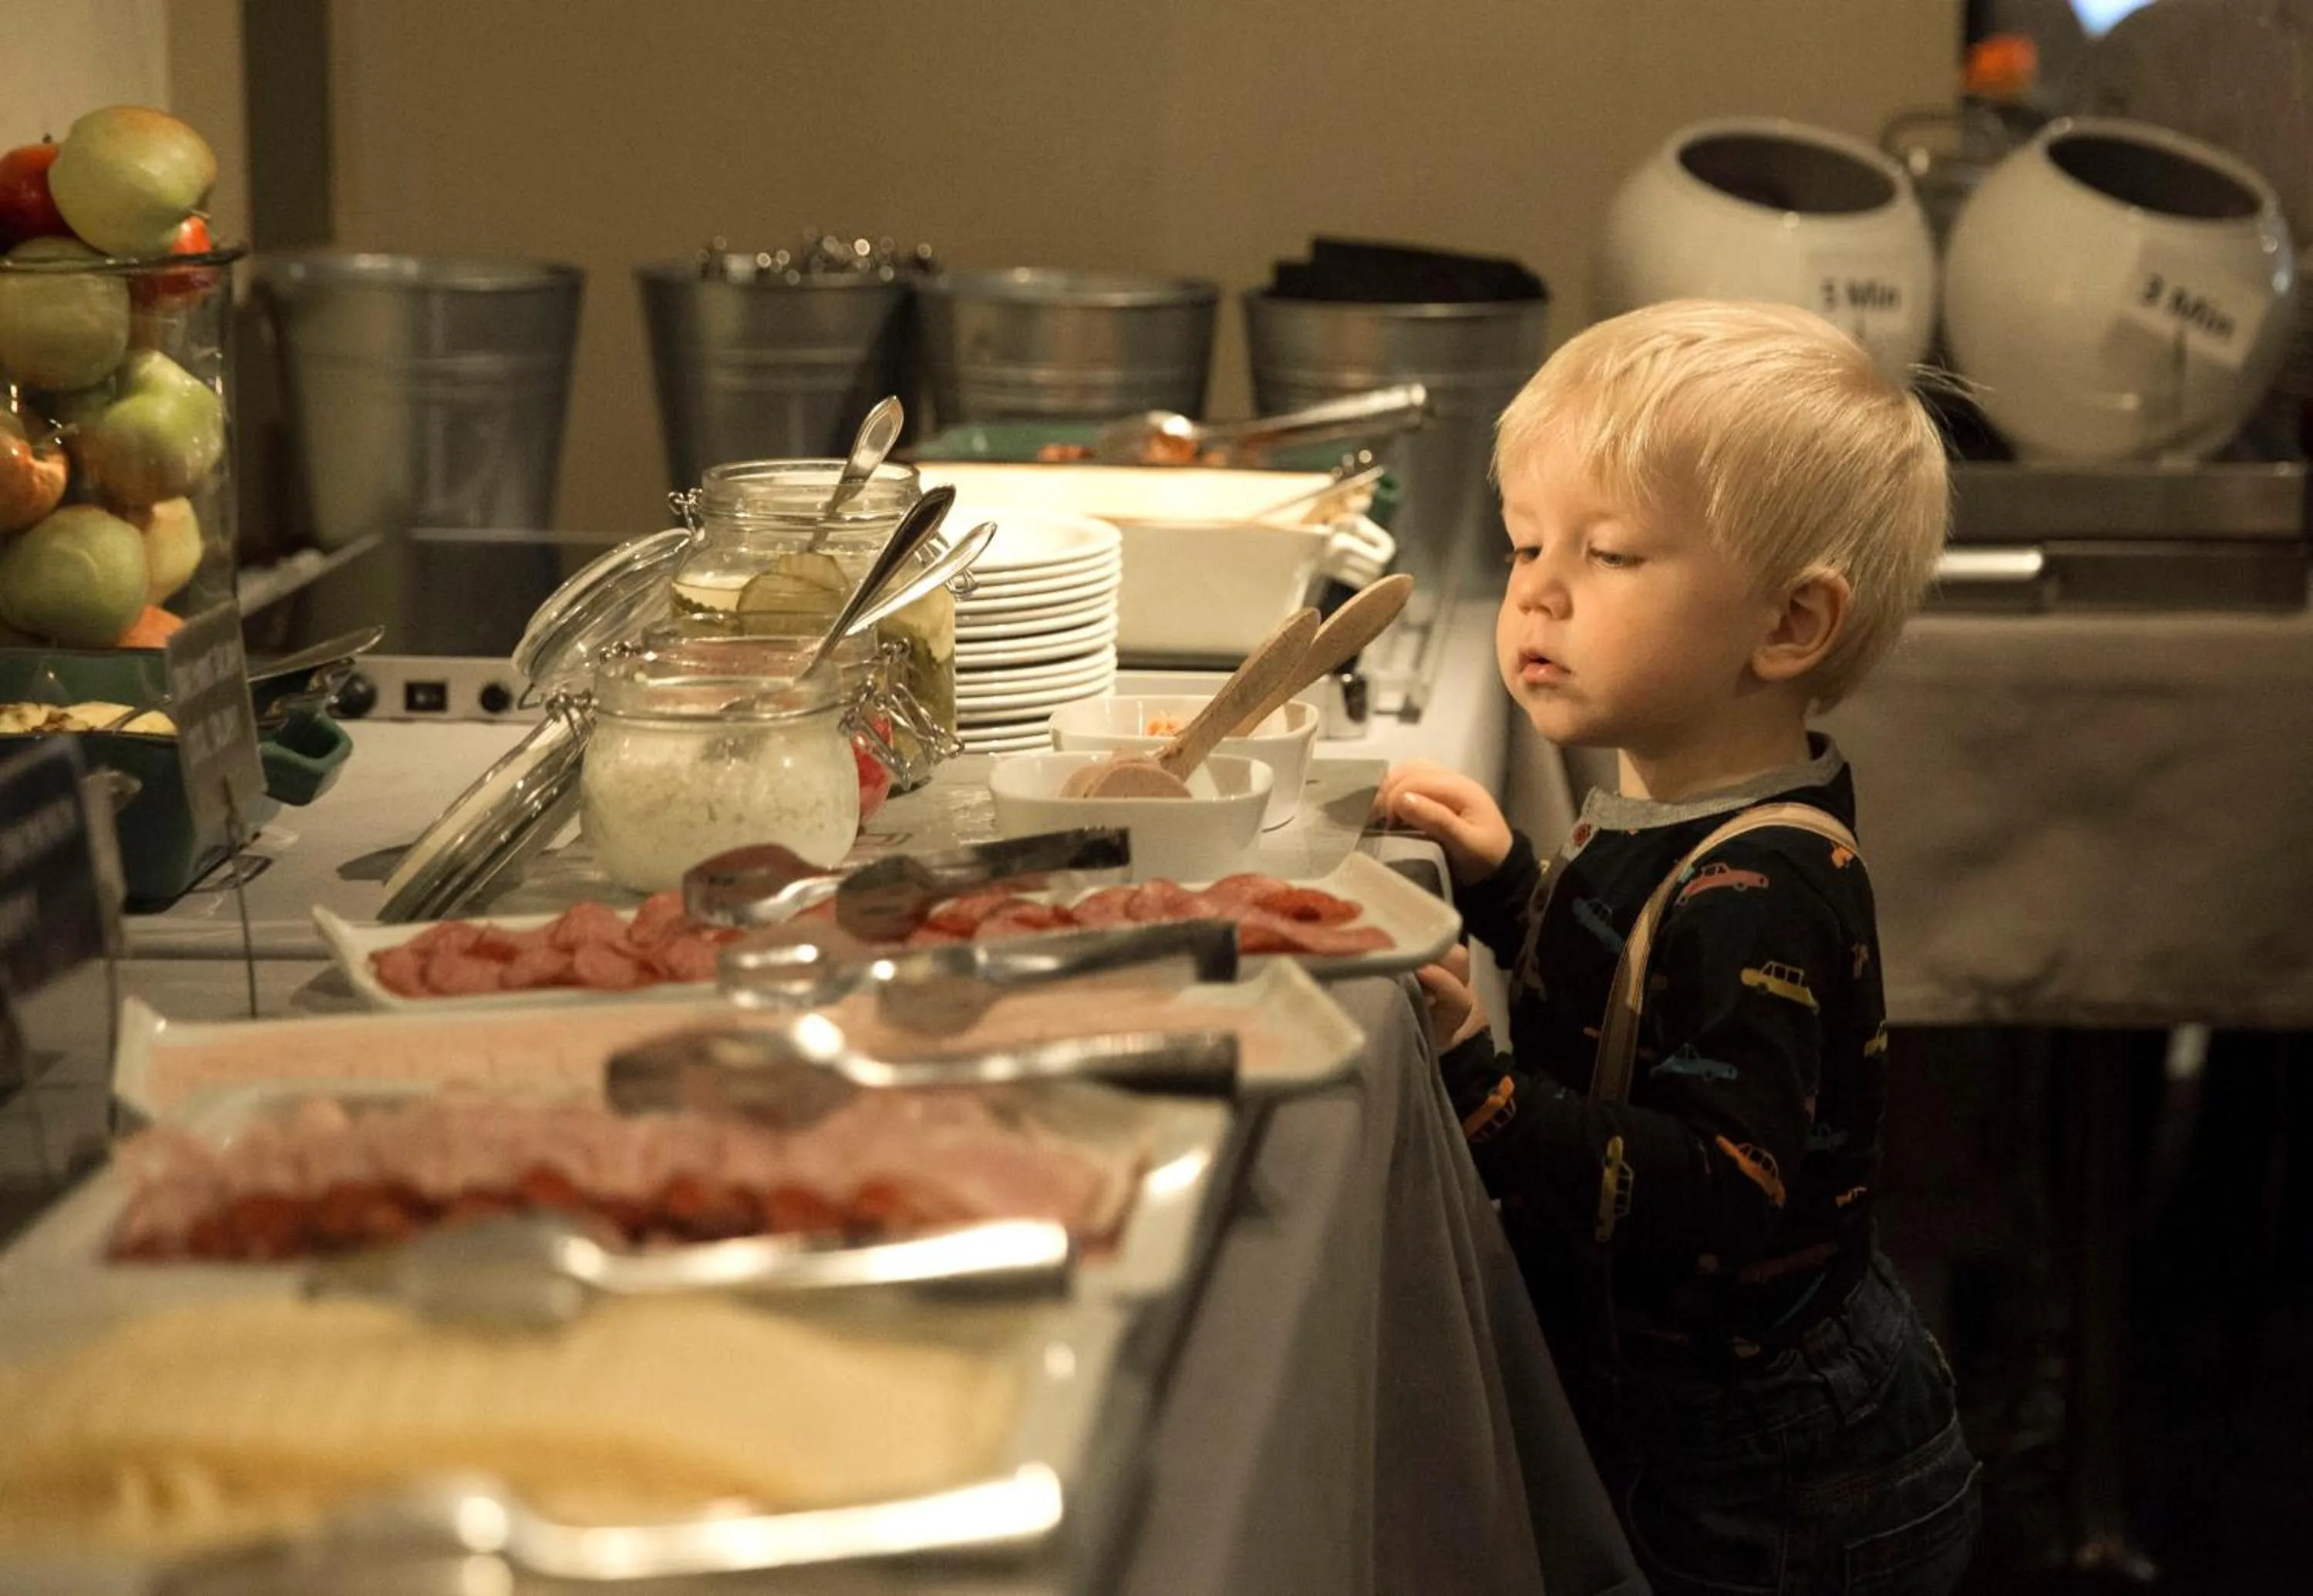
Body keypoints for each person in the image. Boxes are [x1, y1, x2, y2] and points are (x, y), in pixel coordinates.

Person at [1380, 300, 1979, 1594]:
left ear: (1788, 627)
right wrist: (1516, 893)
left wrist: (1486, 1094)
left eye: (1608, 556)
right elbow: (1643, 1009)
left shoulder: (1762, 884)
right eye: (1529, 542)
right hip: (1709, 1426)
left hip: (1782, 1474)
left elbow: (1717, 1185)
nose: (1535, 588)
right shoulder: (1681, 809)